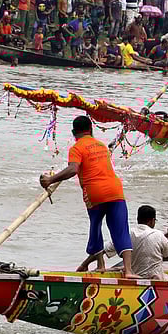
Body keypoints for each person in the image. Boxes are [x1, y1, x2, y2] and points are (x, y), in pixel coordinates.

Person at [40, 116, 134, 278]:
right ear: (91, 129)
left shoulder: (76, 148)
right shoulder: (102, 145)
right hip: (116, 190)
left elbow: (73, 170)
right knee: (121, 229)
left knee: (96, 226)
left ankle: (101, 265)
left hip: (95, 192)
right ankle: (129, 271)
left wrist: (50, 180)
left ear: (73, 132)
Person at [98, 204, 168, 279]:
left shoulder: (127, 234)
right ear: (152, 221)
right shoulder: (158, 234)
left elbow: (101, 250)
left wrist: (87, 263)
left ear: (138, 219)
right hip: (154, 278)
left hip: (133, 276)